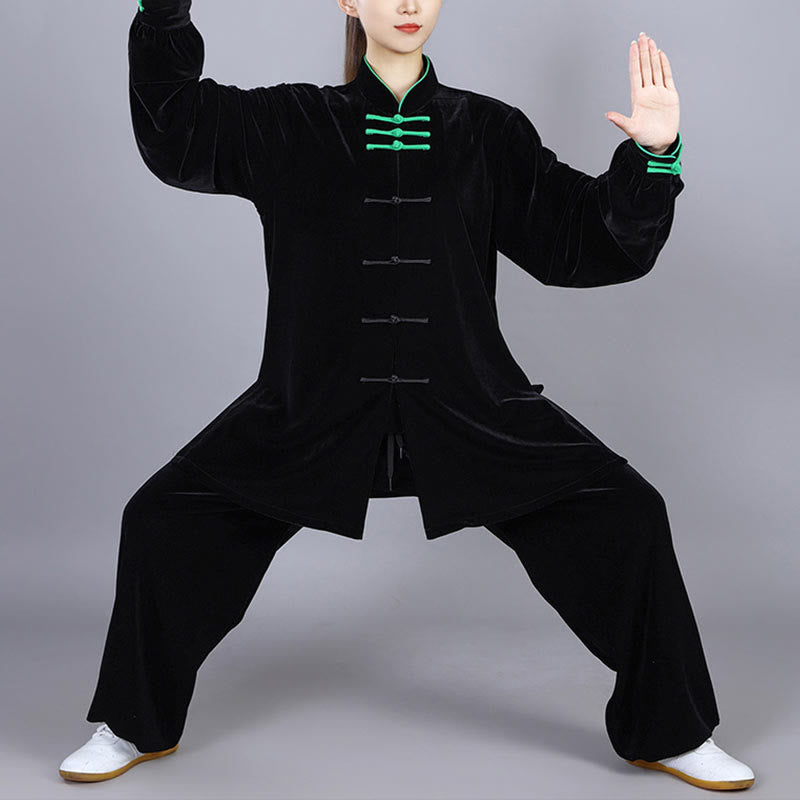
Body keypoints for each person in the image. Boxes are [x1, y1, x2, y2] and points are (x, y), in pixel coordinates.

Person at [59, 0, 756, 791]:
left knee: (630, 513)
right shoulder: (290, 124)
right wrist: (163, 13)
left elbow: (583, 240)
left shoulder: (488, 131)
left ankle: (672, 732)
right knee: (162, 519)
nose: (408, 4)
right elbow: (177, 130)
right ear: (348, 1)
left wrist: (653, 156)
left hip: (469, 404)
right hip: (310, 408)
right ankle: (133, 722)